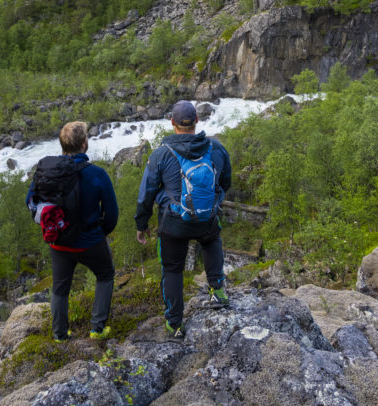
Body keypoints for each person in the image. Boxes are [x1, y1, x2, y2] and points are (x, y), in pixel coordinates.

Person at [135, 100, 231, 338]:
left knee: (172, 270)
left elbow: (146, 194)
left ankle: (175, 324)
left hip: (174, 224)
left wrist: (142, 225)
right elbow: (225, 181)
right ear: (197, 121)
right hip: (206, 217)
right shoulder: (216, 149)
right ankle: (217, 291)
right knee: (211, 240)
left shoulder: (161, 154)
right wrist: (214, 202)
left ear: (172, 123)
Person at [26, 121, 118, 342]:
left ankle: (59, 334)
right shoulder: (97, 174)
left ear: (62, 144)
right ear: (84, 143)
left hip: (58, 242)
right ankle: (97, 329)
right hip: (90, 240)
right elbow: (112, 214)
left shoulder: (47, 172)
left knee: (59, 288)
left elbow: (31, 201)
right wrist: (99, 233)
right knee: (105, 275)